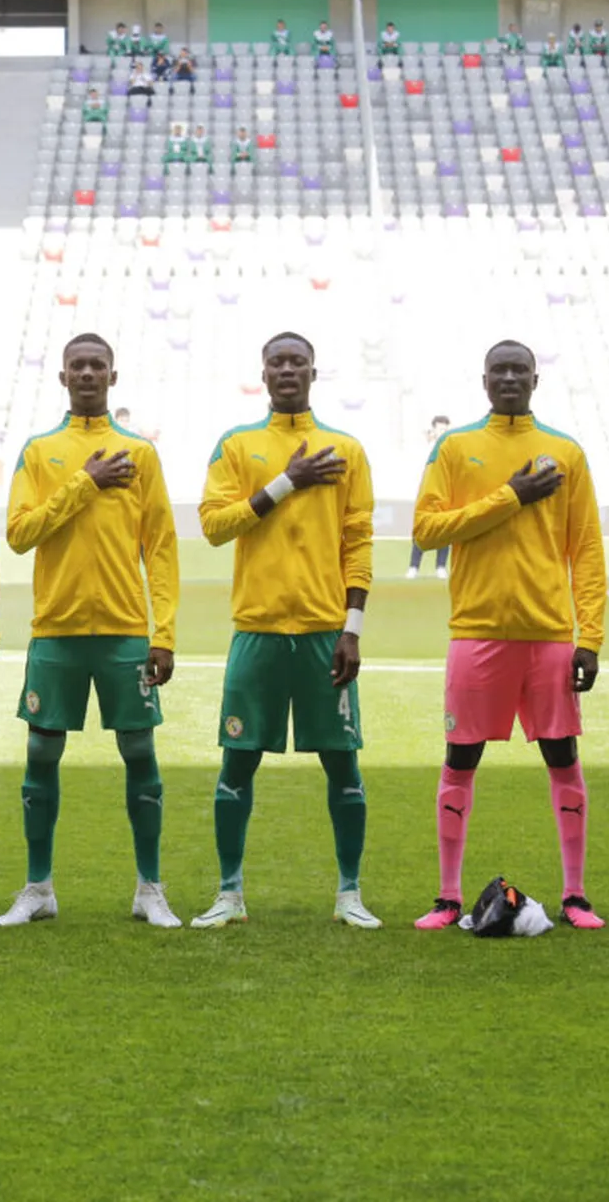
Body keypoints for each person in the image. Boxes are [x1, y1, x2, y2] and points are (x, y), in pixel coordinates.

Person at [409, 343, 607, 931]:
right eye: (501, 370)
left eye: (520, 369)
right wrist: (511, 497)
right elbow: (426, 527)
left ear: (536, 379)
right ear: (485, 380)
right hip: (477, 632)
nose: (511, 378)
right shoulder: (456, 447)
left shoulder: (565, 452)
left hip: (548, 634)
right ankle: (448, 897)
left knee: (563, 758)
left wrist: (589, 636)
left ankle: (575, 895)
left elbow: (588, 550)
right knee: (460, 759)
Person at [192, 334, 380, 930]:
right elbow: (215, 526)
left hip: (326, 632)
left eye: (298, 361)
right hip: (258, 630)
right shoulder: (238, 444)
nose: (288, 369)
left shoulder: (346, 448)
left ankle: (349, 893)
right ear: (263, 372)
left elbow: (358, 543)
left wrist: (352, 629)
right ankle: (229, 894)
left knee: (342, 765)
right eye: (277, 361)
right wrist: (286, 481)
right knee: (238, 761)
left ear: (313, 372)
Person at [0, 334, 180, 928]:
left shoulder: (140, 454)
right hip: (57, 630)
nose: (87, 374)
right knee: (41, 753)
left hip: (125, 630)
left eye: (97, 365)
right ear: (62, 377)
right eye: (77, 366)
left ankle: (150, 888)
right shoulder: (41, 451)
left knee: (139, 753)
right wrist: (85, 483)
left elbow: (162, 548)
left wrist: (165, 633)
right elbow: (20, 534)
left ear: (113, 376)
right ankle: (38, 887)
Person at [406, 414, 451, 578]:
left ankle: (440, 566)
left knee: (444, 530)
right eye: (440, 428)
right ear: (433, 429)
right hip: (425, 493)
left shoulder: (450, 446)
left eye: (446, 428)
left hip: (444, 494)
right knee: (421, 529)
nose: (443, 431)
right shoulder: (424, 446)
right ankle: (413, 567)